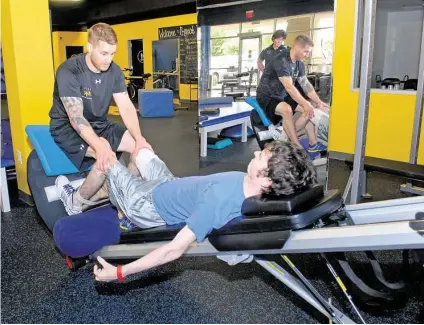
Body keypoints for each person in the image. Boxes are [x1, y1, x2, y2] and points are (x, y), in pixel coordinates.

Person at [52, 141, 317, 282]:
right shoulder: (254, 187)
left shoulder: (218, 202)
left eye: (262, 157)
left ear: (267, 180)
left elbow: (173, 250)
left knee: (104, 154)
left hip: (144, 206)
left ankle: (75, 199)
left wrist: (118, 273)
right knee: (140, 147)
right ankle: (105, 189)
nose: (257, 152)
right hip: (169, 183)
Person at [49, 22, 153, 216]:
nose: (109, 59)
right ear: (90, 47)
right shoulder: (69, 71)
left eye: (112, 54)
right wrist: (99, 146)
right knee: (106, 157)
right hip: (67, 128)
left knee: (142, 152)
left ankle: (121, 195)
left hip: (99, 124)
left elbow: (126, 106)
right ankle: (75, 201)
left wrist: (139, 138)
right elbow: (76, 117)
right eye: (104, 53)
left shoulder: (113, 71)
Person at [256, 34, 330, 153]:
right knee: (287, 110)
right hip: (267, 95)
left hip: (283, 94)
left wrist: (318, 102)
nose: (307, 55)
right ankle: (297, 146)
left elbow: (305, 84)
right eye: (305, 51)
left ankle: (312, 143)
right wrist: (306, 103)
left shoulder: (299, 63)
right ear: (296, 47)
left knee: (309, 109)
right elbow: (289, 87)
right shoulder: (281, 60)